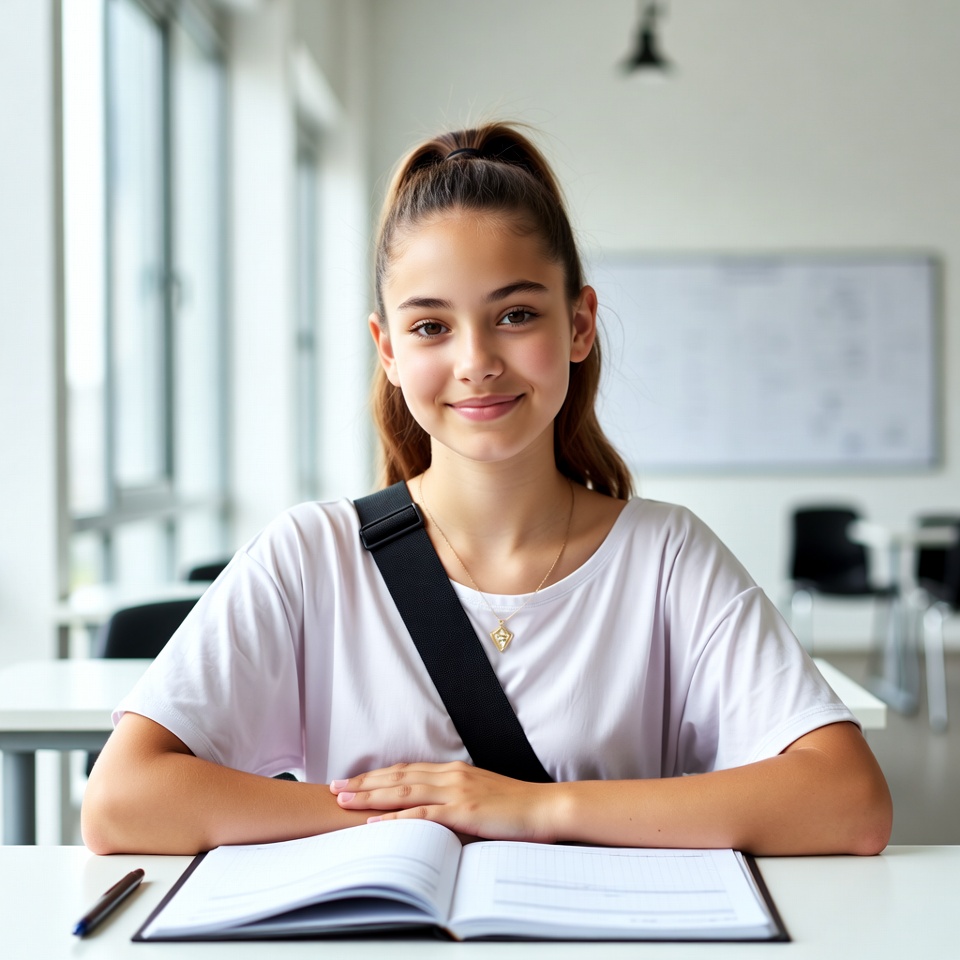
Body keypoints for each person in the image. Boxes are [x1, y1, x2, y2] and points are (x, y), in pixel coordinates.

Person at [82, 122, 892, 857]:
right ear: (389, 350)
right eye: (431, 326)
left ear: (579, 325)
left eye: (514, 315)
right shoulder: (310, 554)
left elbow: (848, 802)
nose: (476, 360)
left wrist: (530, 809)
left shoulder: (666, 554)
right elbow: (122, 801)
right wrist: (423, 816)